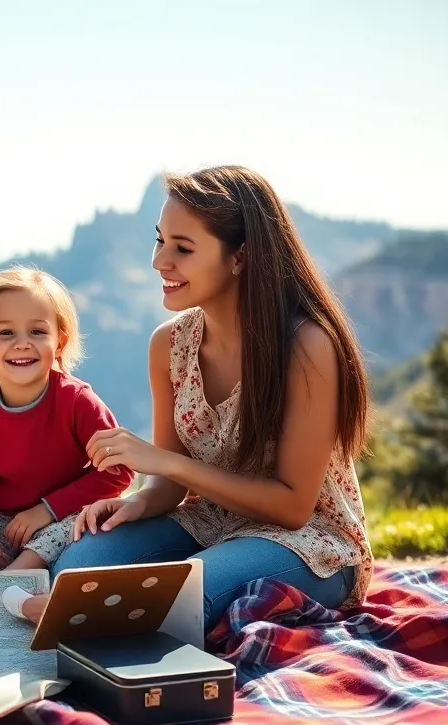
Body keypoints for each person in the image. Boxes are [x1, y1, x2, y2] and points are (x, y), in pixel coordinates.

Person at [19, 165, 373, 631]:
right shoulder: (169, 346)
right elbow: (169, 484)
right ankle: (94, 620)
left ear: (240, 257)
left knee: (179, 597)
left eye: (182, 248)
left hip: (308, 543)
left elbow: (292, 507)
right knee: (77, 571)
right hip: (211, 523)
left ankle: (101, 629)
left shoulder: (306, 347)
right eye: (160, 240)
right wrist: (138, 504)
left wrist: (165, 464)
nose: (160, 262)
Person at [0, 266, 134, 573]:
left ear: (59, 342)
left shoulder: (77, 401)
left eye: (37, 331)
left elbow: (118, 471)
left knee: (64, 534)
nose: (22, 343)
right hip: (4, 522)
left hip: (63, 518)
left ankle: (20, 572)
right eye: (5, 333)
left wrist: (46, 511)